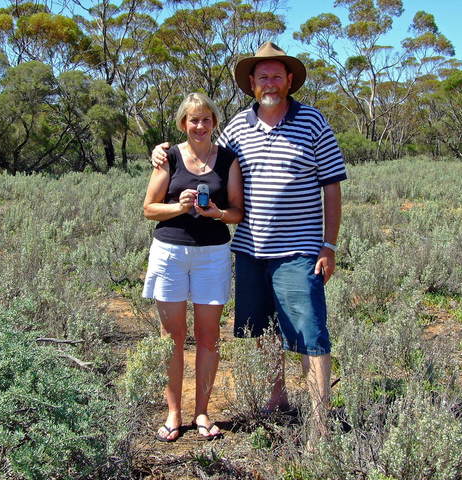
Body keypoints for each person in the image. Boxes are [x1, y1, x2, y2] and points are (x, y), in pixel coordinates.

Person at [152, 43, 347, 439]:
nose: (270, 83)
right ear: (252, 85)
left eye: (277, 76)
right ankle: (276, 402)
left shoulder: (313, 122)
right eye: (263, 77)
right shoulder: (239, 126)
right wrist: (162, 151)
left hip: (300, 250)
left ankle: (320, 426)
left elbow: (332, 186)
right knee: (262, 333)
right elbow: (205, 154)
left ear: (290, 81)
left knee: (310, 335)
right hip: (250, 250)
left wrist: (329, 246)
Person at [142, 92, 243, 442]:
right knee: (171, 337)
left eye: (205, 119)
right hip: (169, 252)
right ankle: (173, 413)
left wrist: (216, 214)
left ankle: (202, 411)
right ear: (183, 124)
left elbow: (237, 213)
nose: (199, 126)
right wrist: (179, 208)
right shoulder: (168, 156)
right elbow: (149, 208)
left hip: (212, 255)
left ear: (214, 122)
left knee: (208, 337)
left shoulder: (228, 160)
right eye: (193, 120)